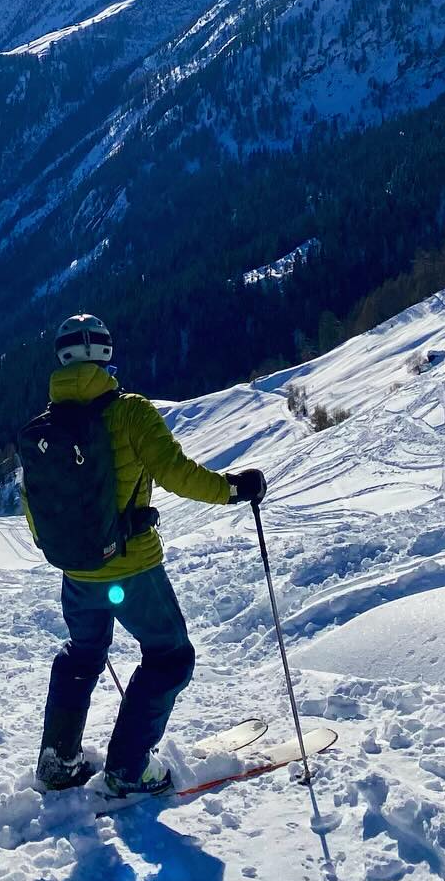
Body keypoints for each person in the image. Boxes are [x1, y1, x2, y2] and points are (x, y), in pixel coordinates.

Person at [21, 312, 266, 797]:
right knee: (170, 656)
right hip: (132, 569)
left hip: (76, 572)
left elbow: (32, 506)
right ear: (107, 355)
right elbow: (177, 474)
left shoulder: (46, 426)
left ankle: (58, 760)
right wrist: (234, 490)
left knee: (83, 653)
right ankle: (130, 767)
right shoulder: (130, 412)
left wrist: (73, 550)